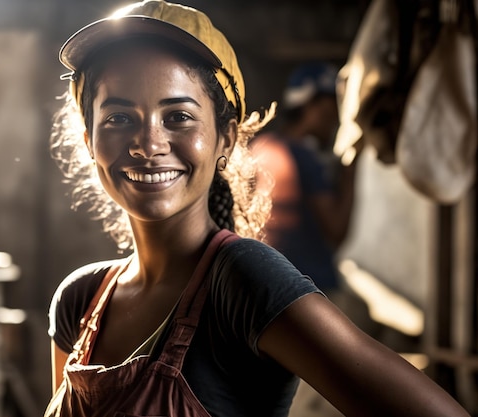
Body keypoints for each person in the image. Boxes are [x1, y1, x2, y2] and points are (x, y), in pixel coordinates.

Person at [45, 1, 471, 416]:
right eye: (118, 118)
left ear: (225, 139)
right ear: (89, 141)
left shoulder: (245, 283)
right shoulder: (79, 301)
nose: (148, 144)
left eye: (178, 117)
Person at [249, 62, 358, 295]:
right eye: (330, 112)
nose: (334, 121)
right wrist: (350, 174)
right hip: (309, 286)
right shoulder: (304, 159)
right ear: (312, 106)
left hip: (264, 281)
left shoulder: (261, 147)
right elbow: (337, 230)